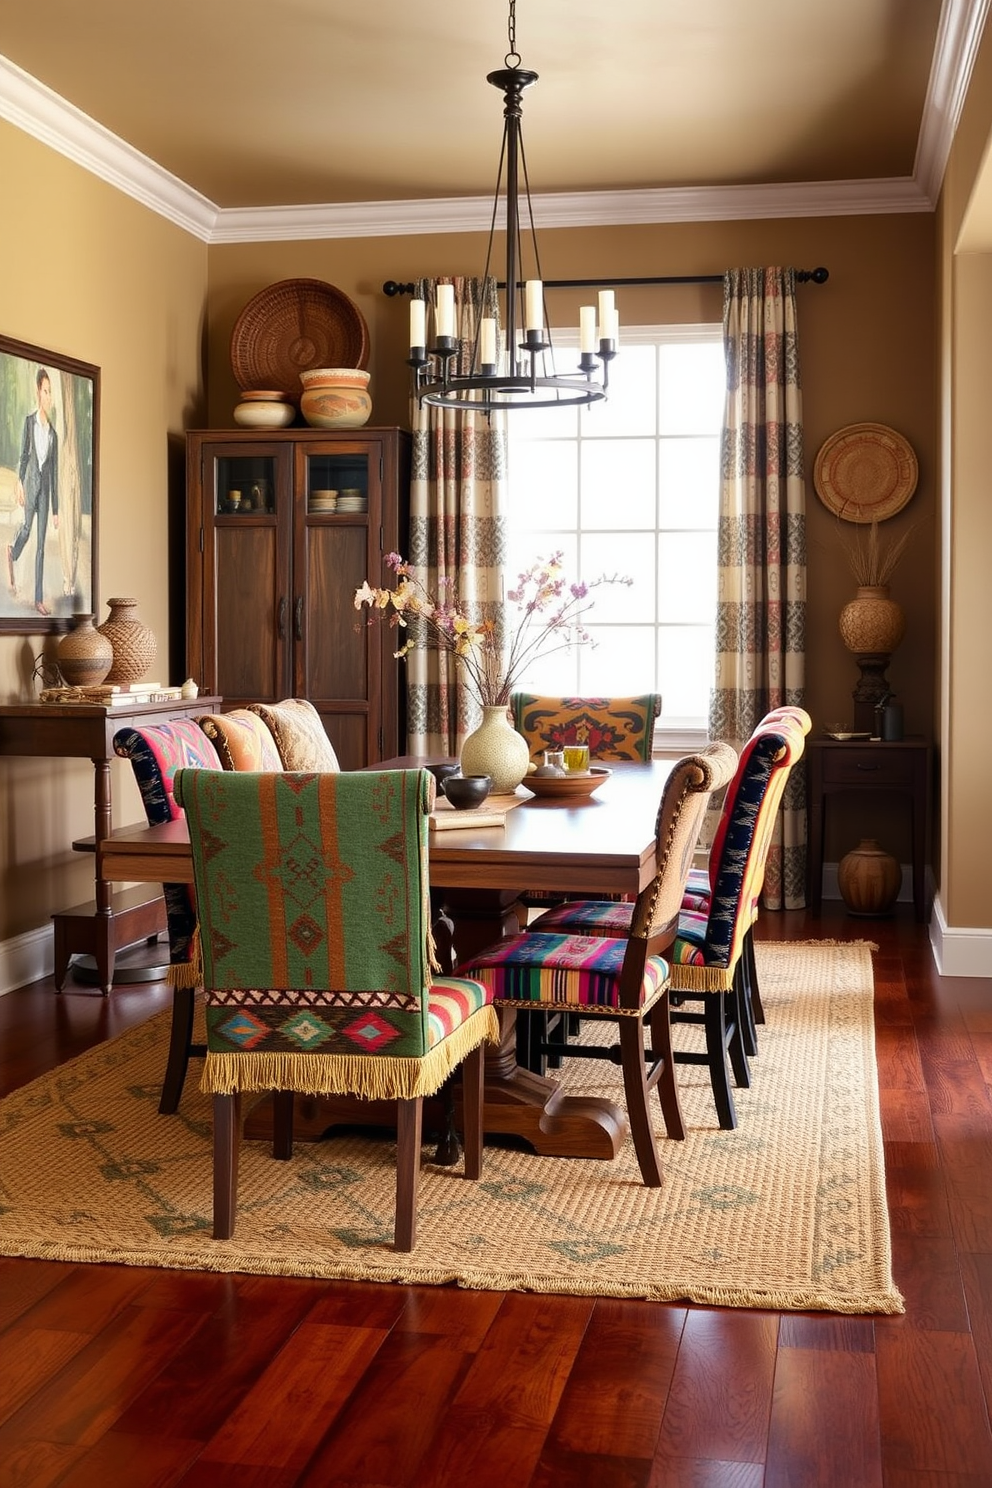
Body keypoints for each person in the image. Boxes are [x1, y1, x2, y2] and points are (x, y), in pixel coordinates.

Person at [7, 366, 59, 616]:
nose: (49, 397)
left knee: (41, 545)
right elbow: (24, 456)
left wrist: (56, 510)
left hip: (45, 494)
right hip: (30, 487)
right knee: (26, 530)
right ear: (38, 392)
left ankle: (38, 600)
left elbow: (55, 473)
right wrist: (19, 482)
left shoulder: (54, 435)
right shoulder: (29, 424)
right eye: (46, 391)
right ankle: (12, 550)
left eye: (51, 392)